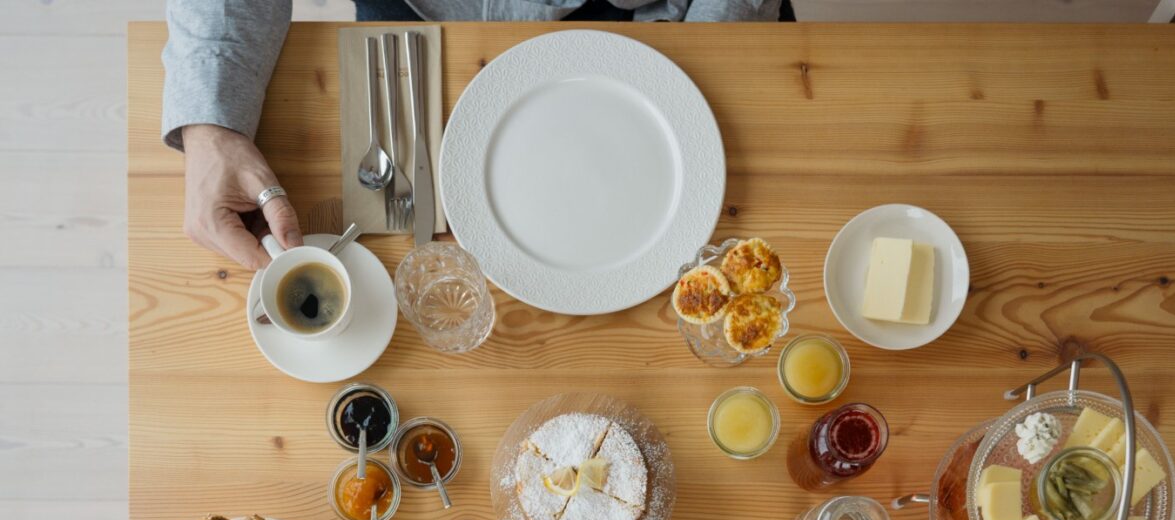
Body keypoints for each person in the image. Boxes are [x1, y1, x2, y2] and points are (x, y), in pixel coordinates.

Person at [163, 0, 787, 269]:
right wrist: (213, 122)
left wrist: (705, 46)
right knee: (399, 216)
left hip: (654, 17)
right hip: (416, 16)